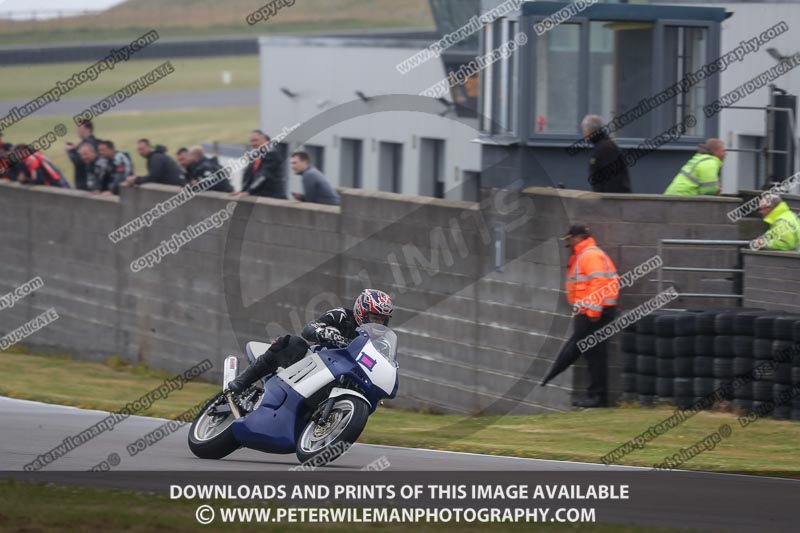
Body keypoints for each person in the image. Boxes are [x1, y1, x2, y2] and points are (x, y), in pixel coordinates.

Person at [227, 289, 394, 394]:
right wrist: (324, 332)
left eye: (382, 320)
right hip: (316, 361)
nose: (378, 323)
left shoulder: (382, 344)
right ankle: (241, 382)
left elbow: (382, 365)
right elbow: (309, 328)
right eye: (374, 318)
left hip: (347, 376)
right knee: (291, 343)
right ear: (361, 312)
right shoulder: (342, 316)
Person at [541, 225, 618, 408]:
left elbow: (598, 282)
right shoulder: (583, 255)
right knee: (592, 354)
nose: (567, 243)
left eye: (569, 239)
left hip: (595, 313)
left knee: (594, 354)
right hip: (590, 312)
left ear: (577, 237)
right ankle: (595, 396)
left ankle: (597, 397)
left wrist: (593, 312)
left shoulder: (590, 255)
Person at [581, 115, 631, 193]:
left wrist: (606, 197)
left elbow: (613, 178)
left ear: (589, 131)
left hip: (612, 198)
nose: (584, 134)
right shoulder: (602, 146)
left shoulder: (606, 148)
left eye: (585, 130)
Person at [240, 129, 286, 199]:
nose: (253, 144)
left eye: (255, 140)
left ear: (264, 138)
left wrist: (249, 191)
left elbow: (263, 176)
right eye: (251, 141)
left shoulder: (272, 153)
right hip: (260, 195)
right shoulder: (256, 154)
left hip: (272, 196)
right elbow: (249, 175)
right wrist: (243, 191)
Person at [66, 120, 98, 191]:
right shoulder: (92, 141)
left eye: (79, 128)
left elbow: (79, 161)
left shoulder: (88, 143)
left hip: (84, 184)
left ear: (88, 129)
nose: (77, 130)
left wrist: (71, 151)